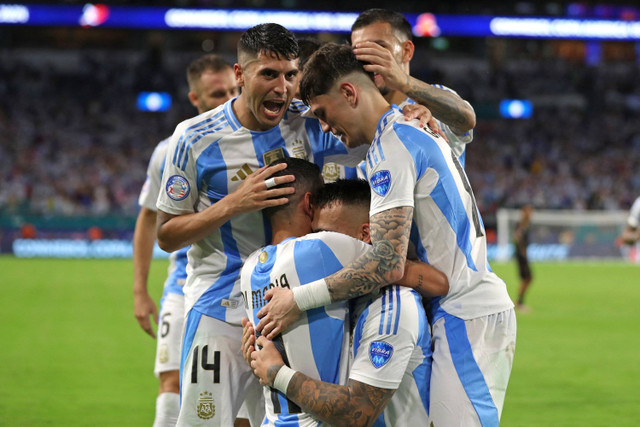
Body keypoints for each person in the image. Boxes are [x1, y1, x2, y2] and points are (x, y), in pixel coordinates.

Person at [257, 43, 516, 427]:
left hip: (466, 310)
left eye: (324, 114)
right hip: (450, 306)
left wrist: (299, 298)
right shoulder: (407, 129)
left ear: (349, 92)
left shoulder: (391, 149)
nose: (325, 127)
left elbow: (387, 262)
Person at [154, 23, 395, 426]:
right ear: (239, 75)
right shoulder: (193, 138)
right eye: (269, 74)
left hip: (295, 306)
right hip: (222, 309)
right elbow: (166, 234)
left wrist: (409, 108)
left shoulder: (310, 120)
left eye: (289, 74)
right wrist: (233, 204)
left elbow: (378, 129)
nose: (282, 87)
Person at [242, 169, 448, 426]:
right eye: (313, 234)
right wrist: (261, 352)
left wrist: (277, 373)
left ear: (365, 237)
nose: (312, 245)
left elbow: (356, 413)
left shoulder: (394, 308)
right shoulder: (345, 302)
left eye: (325, 237)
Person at [132, 54, 238, 427]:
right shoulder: (172, 149)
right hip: (184, 284)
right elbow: (149, 220)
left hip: (247, 285)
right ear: (196, 99)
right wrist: (140, 291)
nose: (227, 100)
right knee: (172, 380)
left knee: (239, 404)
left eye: (233, 91)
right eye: (216, 94)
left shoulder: (264, 140)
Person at [350, 8, 476, 167]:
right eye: (359, 52)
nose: (368, 59)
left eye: (379, 48)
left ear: (407, 51)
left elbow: (467, 118)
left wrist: (402, 80)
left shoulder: (432, 103)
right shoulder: (353, 114)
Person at [514, 204, 534, 312]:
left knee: (527, 279)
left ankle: (519, 302)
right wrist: (522, 252)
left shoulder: (526, 225)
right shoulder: (521, 225)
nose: (531, 214)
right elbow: (517, 238)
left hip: (523, 255)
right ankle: (519, 302)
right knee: (528, 278)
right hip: (522, 257)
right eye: (529, 211)